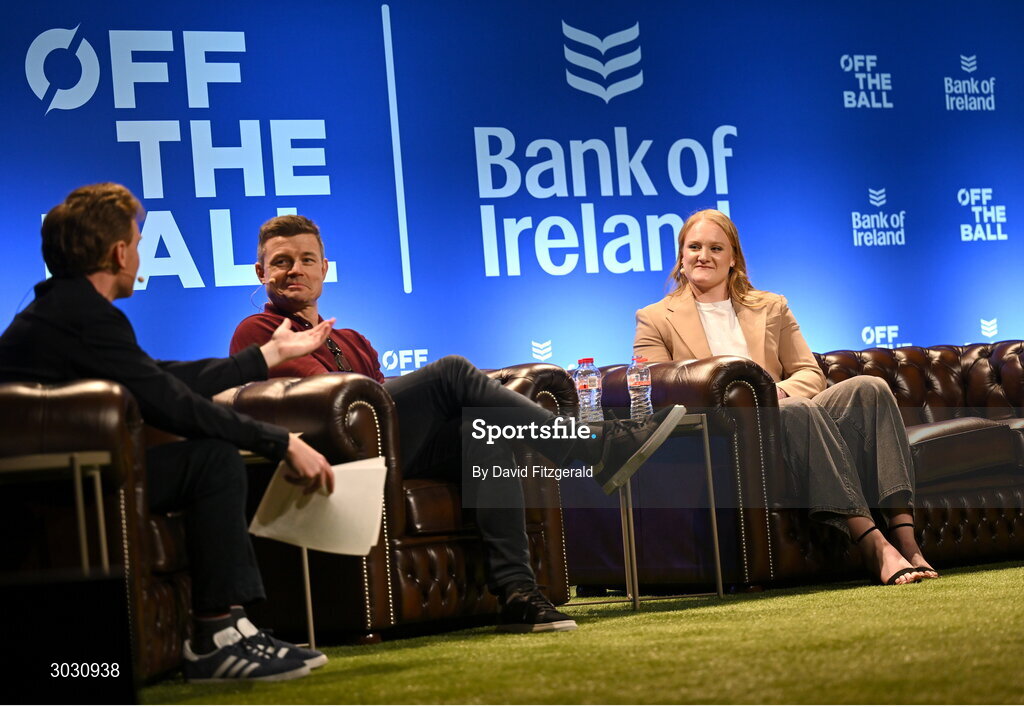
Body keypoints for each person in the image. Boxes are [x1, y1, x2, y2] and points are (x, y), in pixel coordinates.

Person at [230, 215, 686, 630]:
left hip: (385, 450)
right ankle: (591, 448)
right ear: (261, 274)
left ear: (324, 269)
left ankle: (518, 594)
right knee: (450, 372)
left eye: (306, 259)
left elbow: (377, 403)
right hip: (332, 458)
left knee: (485, 432)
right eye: (282, 262)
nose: (296, 269)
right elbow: (326, 403)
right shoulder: (258, 331)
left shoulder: (351, 339)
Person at [0, 183, 339, 682]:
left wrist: (268, 357)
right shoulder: (81, 318)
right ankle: (217, 635)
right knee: (211, 459)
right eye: (136, 245)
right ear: (118, 252)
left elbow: (163, 381)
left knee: (210, 456)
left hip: (78, 477)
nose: (139, 257)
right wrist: (281, 441)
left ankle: (231, 628)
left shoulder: (68, 311)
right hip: (60, 490)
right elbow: (172, 402)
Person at [633, 208, 938, 586]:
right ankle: (873, 543)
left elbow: (809, 372)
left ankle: (907, 540)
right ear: (681, 257)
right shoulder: (655, 318)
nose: (703, 256)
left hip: (787, 412)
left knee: (869, 389)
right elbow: (657, 390)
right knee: (799, 410)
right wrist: (759, 403)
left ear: (733, 259)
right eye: (694, 247)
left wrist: (772, 392)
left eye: (715, 248)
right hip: (729, 433)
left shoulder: (770, 306)